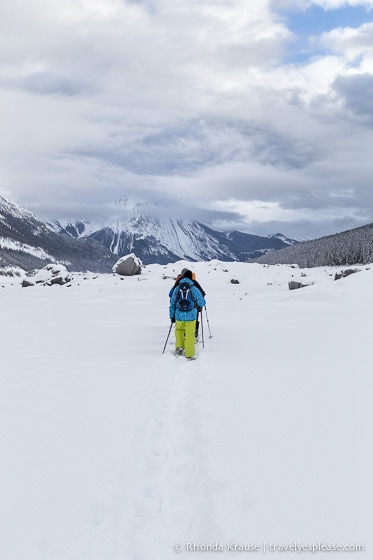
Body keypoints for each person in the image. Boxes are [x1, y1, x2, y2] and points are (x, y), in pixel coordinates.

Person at [169, 270, 206, 360]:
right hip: (191, 316)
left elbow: (172, 303)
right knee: (190, 334)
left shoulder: (177, 288)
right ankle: (189, 354)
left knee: (179, 331)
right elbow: (202, 303)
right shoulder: (194, 288)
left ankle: (179, 348)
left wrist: (172, 316)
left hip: (179, 315)